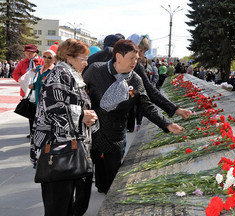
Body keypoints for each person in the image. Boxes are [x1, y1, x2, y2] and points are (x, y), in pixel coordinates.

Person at [83, 40, 185, 194]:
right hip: (92, 131)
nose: (135, 62)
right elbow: (79, 93)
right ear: (118, 57)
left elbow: (146, 105)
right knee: (88, 172)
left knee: (112, 175)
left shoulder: (135, 80)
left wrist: (167, 124)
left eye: (136, 59)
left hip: (115, 134)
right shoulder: (96, 71)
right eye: (131, 58)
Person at [30, 39, 98, 216]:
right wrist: (83, 115)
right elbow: (53, 108)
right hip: (57, 150)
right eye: (83, 58)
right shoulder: (60, 73)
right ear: (69, 56)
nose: (86, 62)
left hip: (69, 149)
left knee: (68, 204)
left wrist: (89, 117)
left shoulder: (71, 73)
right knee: (58, 206)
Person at [12, 44, 44, 138]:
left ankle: (40, 132)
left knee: (40, 112)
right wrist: (23, 81)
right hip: (27, 91)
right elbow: (15, 74)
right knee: (30, 112)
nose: (28, 55)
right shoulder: (22, 63)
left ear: (35, 53)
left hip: (39, 91)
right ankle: (32, 133)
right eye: (26, 53)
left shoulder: (42, 61)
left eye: (30, 53)